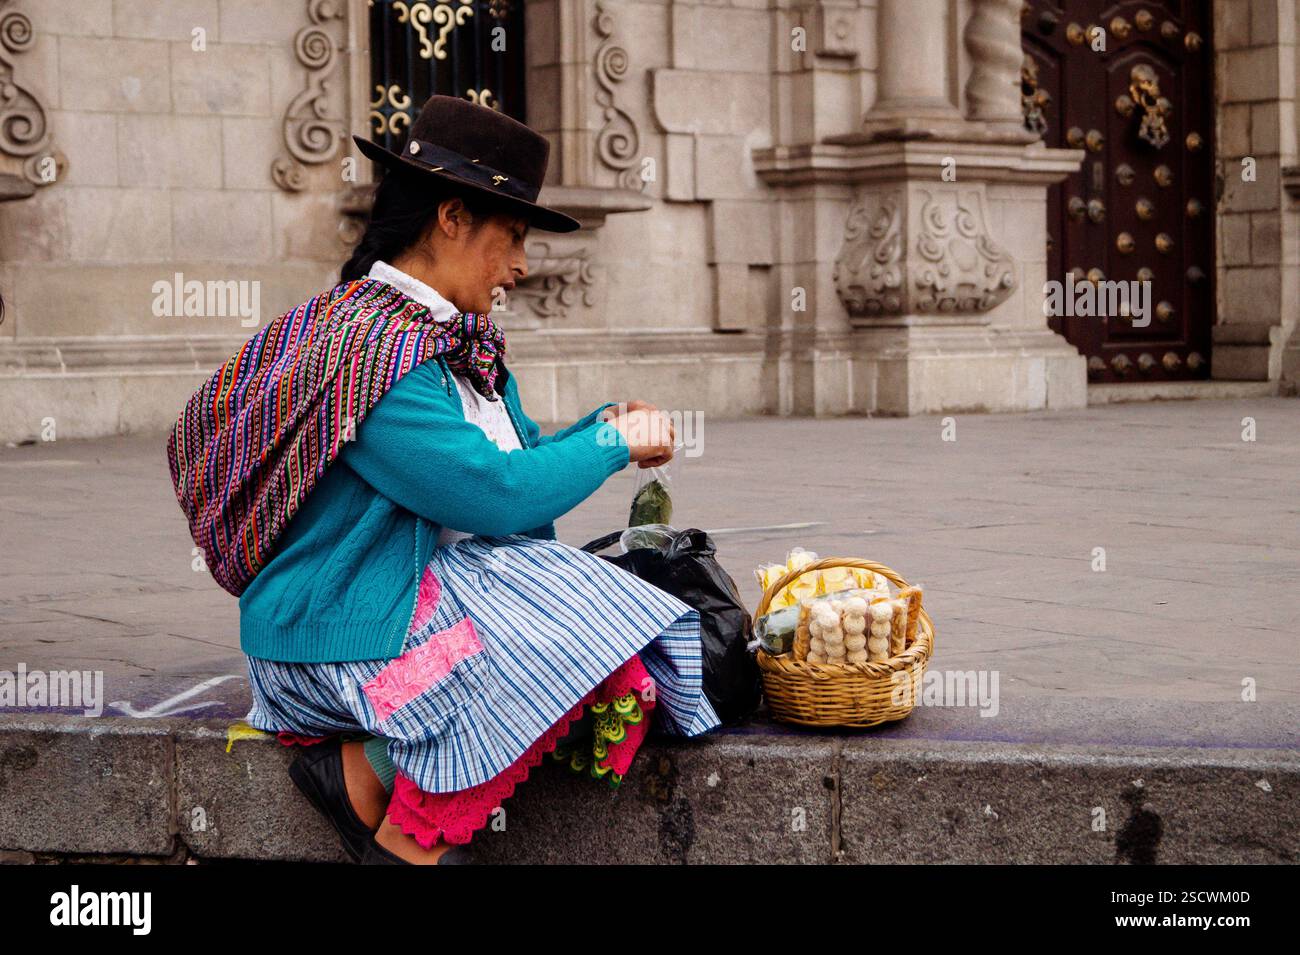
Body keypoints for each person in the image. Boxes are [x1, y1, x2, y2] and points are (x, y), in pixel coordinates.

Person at [165, 95, 720, 864]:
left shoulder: (460, 345)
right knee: (580, 634)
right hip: (334, 631)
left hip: (407, 607)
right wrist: (608, 442)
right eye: (513, 237)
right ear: (452, 218)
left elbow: (515, 476)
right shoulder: (373, 353)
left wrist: (606, 425)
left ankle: (361, 774)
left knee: (609, 645)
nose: (522, 266)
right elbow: (489, 494)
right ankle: (409, 845)